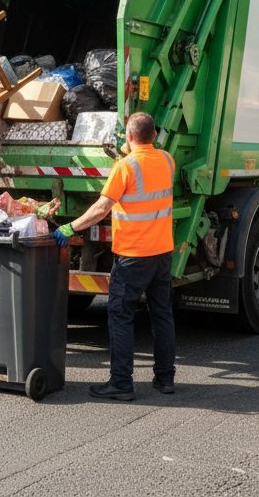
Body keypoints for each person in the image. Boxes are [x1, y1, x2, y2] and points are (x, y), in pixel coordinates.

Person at [53, 112, 176, 401]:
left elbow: (102, 208)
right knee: (162, 315)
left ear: (129, 137)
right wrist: (132, 145)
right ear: (154, 135)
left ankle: (121, 382)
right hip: (162, 253)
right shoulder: (167, 160)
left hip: (133, 255)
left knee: (120, 316)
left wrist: (70, 227)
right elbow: (147, 161)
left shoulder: (125, 166)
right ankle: (165, 378)